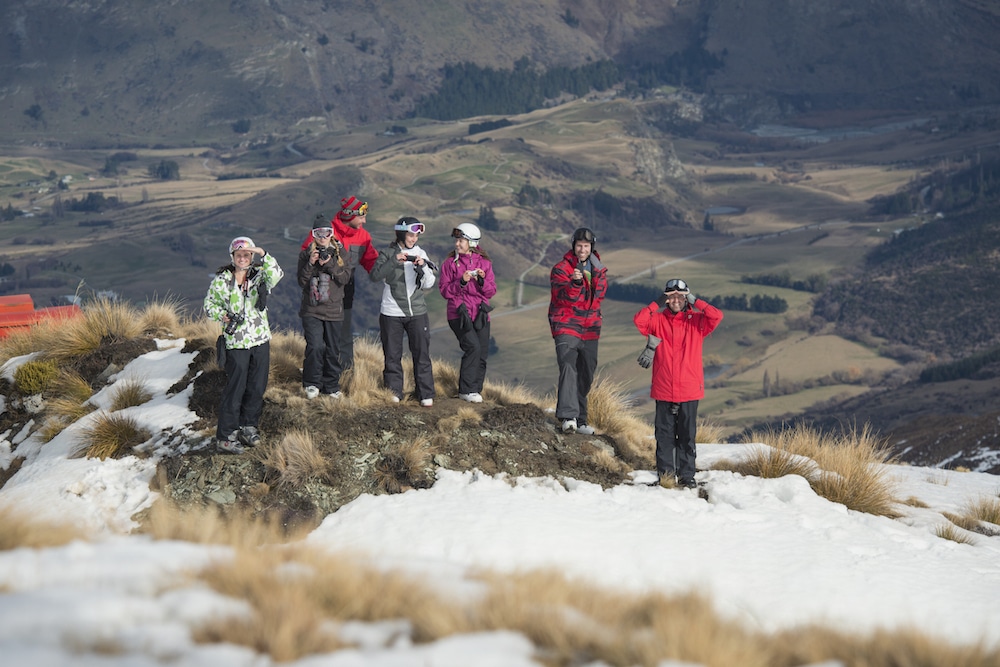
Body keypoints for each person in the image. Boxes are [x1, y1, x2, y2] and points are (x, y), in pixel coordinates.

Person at [633, 278, 723, 488]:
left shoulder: (697, 322)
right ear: (666, 298)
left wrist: (696, 300)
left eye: (680, 296)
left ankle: (687, 477)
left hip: (690, 389)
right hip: (664, 388)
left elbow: (717, 315)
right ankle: (665, 477)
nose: (675, 300)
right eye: (671, 296)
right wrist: (656, 302)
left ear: (686, 298)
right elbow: (639, 321)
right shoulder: (657, 320)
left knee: (687, 437)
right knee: (663, 437)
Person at [204, 236, 284, 454]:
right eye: (238, 254)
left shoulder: (260, 276)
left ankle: (248, 427)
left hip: (259, 340)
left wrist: (263, 254)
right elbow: (208, 305)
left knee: (257, 386)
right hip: (237, 343)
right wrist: (224, 315)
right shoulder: (222, 280)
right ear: (232, 257)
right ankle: (226, 437)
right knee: (235, 388)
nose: (242, 258)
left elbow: (277, 275)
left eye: (246, 254)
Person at [300, 197, 378, 371]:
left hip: (346, 290)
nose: (364, 221)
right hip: (319, 292)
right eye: (362, 216)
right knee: (319, 337)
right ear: (350, 215)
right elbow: (304, 257)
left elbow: (371, 261)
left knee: (343, 334)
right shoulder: (326, 231)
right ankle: (316, 372)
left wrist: (388, 272)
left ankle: (345, 372)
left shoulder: (364, 236)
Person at [369, 216, 438, 406]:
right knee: (392, 354)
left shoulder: (421, 252)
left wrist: (423, 267)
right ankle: (394, 392)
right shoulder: (387, 252)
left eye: (416, 235)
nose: (413, 239)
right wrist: (394, 261)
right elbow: (375, 276)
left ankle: (425, 393)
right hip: (391, 312)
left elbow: (430, 282)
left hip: (417, 312)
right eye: (410, 235)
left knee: (421, 353)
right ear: (401, 233)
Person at [548, 227, 607, 435]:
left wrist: (593, 275)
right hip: (566, 324)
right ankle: (568, 416)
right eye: (579, 246)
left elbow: (598, 296)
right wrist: (575, 283)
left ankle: (581, 420)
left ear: (592, 247)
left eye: (586, 246)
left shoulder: (598, 268)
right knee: (568, 366)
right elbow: (563, 298)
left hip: (590, 327)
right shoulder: (561, 269)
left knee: (587, 372)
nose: (582, 250)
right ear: (573, 246)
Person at [439, 223, 497, 403]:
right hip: (458, 314)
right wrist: (462, 282)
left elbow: (490, 291)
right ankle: (466, 390)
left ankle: (476, 391)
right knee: (472, 347)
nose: (457, 244)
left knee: (482, 353)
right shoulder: (449, 264)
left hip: (480, 313)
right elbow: (445, 291)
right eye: (457, 240)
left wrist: (481, 280)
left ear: (472, 243)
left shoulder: (485, 264)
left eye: (461, 241)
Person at [298, 217, 352, 399]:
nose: (322, 237)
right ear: (313, 235)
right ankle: (312, 382)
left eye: (326, 233)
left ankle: (331, 385)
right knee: (315, 346)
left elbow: (345, 279)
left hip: (334, 310)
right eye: (318, 233)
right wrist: (310, 264)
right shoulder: (306, 254)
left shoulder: (341, 254)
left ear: (332, 234)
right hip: (311, 309)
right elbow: (301, 281)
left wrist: (329, 263)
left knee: (332, 349)